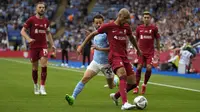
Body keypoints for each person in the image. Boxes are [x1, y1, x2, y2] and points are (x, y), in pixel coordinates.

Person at [77, 8, 141, 110]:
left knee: (133, 83)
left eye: (127, 20)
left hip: (124, 56)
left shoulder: (126, 26)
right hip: (114, 56)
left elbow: (131, 38)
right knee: (122, 75)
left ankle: (116, 96)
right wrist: (82, 46)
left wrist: (138, 49)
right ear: (119, 16)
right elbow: (92, 34)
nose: (126, 22)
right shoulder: (109, 26)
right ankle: (125, 103)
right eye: (124, 19)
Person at [65, 14, 116, 105]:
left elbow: (112, 48)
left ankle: (116, 81)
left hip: (106, 64)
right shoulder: (95, 33)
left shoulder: (107, 34)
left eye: (100, 22)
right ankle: (72, 97)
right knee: (85, 78)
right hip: (96, 62)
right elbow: (96, 44)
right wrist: (90, 38)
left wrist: (99, 49)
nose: (98, 24)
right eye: (96, 23)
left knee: (111, 86)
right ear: (93, 23)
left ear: (103, 22)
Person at [20, 2, 55, 95]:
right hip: (33, 47)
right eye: (40, 7)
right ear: (36, 9)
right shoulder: (31, 20)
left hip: (43, 46)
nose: (42, 9)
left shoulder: (46, 21)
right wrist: (28, 39)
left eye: (43, 7)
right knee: (35, 68)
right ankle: (35, 85)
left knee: (44, 65)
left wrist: (52, 44)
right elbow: (22, 31)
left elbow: (48, 33)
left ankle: (42, 87)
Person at [133, 11, 160, 94]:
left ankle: (144, 84)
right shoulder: (139, 28)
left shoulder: (154, 28)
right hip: (141, 52)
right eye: (145, 17)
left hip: (150, 52)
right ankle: (136, 86)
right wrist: (135, 48)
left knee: (148, 68)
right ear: (142, 18)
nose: (146, 19)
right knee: (139, 67)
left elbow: (157, 39)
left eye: (148, 17)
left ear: (150, 19)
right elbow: (136, 39)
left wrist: (158, 50)